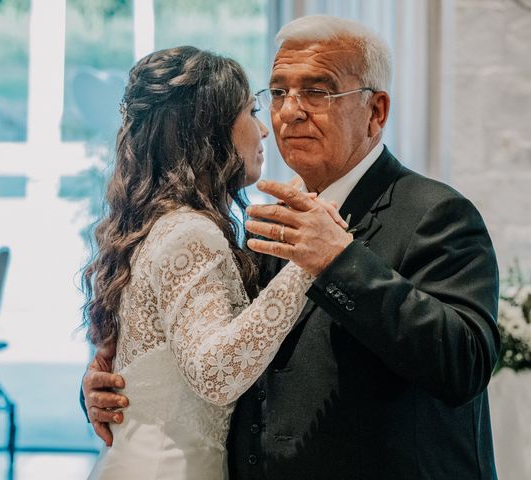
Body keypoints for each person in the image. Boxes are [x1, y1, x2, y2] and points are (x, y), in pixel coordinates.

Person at [82, 15, 500, 480]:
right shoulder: (264, 222)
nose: (289, 111)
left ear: (376, 112)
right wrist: (121, 389)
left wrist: (340, 261)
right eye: (278, 93)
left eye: (318, 92)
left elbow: (465, 364)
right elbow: (218, 360)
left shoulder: (436, 213)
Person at [81, 45, 348, 480]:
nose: (264, 130)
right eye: (251, 111)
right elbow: (216, 374)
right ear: (210, 130)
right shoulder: (189, 232)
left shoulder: (161, 224)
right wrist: (308, 264)